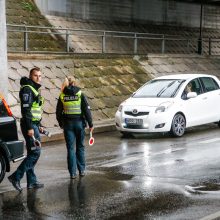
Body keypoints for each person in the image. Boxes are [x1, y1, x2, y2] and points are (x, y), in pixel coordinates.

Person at [8, 67, 44, 192]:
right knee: (35, 152)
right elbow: (26, 110)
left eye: (40, 76)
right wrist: (30, 127)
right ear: (30, 76)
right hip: (30, 126)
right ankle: (16, 177)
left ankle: (32, 181)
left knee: (32, 152)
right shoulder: (27, 89)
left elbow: (35, 110)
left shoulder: (33, 88)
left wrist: (39, 124)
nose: (38, 78)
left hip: (34, 124)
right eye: (36, 76)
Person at [56, 77, 93, 179]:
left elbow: (58, 112)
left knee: (70, 149)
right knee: (80, 147)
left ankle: (72, 173)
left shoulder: (62, 95)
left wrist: (61, 123)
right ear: (74, 83)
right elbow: (86, 110)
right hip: (79, 124)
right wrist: (91, 124)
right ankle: (81, 170)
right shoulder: (80, 93)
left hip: (68, 125)